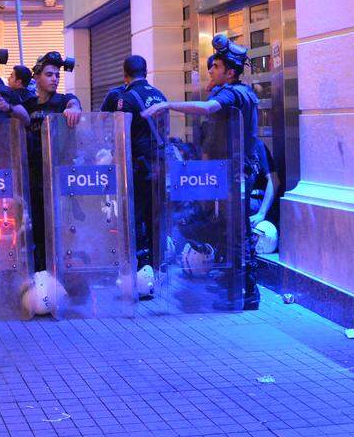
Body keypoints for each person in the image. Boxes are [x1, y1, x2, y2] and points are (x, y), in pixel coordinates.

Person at [142, 34, 262, 310]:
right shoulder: (233, 91)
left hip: (235, 173)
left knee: (237, 232)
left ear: (230, 72)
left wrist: (167, 105)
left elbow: (208, 108)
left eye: (216, 67)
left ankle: (244, 292)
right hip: (227, 171)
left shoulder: (233, 92)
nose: (210, 71)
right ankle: (238, 288)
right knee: (229, 229)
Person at [100, 55, 168, 291]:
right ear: (146, 71)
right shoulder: (160, 95)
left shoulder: (126, 98)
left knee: (136, 217)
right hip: (159, 166)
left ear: (125, 74)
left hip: (138, 168)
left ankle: (140, 271)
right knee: (155, 217)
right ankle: (158, 268)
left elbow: (121, 135)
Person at [22, 52, 83, 272]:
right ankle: (39, 270)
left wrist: (74, 108)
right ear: (36, 77)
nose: (55, 79)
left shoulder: (62, 101)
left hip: (57, 172)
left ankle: (61, 268)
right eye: (49, 74)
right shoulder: (27, 104)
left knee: (58, 224)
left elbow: (74, 103)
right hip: (32, 173)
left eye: (57, 75)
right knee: (35, 224)